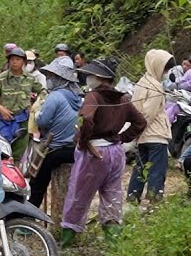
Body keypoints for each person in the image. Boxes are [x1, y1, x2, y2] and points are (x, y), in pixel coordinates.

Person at [59, 58, 146, 246]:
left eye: (91, 75)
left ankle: (66, 240)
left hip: (95, 152)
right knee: (112, 195)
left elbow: (86, 120)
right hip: (116, 152)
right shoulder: (122, 99)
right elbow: (140, 122)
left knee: (78, 195)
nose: (88, 78)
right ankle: (113, 241)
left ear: (99, 78)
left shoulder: (93, 97)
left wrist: (83, 142)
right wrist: (121, 138)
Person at [28, 57, 82, 207]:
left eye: (52, 76)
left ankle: (29, 212)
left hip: (56, 147)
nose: (49, 79)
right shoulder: (76, 96)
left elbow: (42, 121)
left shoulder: (55, 96)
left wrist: (37, 114)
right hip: (73, 148)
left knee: (37, 183)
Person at [127, 49, 174, 206]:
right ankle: (154, 201)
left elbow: (135, 109)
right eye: (165, 69)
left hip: (143, 137)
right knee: (156, 171)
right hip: (156, 135)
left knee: (140, 169)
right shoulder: (156, 87)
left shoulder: (141, 83)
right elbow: (148, 113)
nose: (166, 73)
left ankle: (133, 198)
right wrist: (139, 129)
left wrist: (135, 132)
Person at [0, 47, 36, 142]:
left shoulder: (30, 78)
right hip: (5, 119)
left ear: (24, 62)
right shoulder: (1, 78)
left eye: (18, 59)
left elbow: (42, 91)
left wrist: (34, 106)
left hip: (23, 119)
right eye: (12, 59)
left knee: (21, 147)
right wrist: (1, 109)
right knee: (4, 145)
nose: (14, 62)